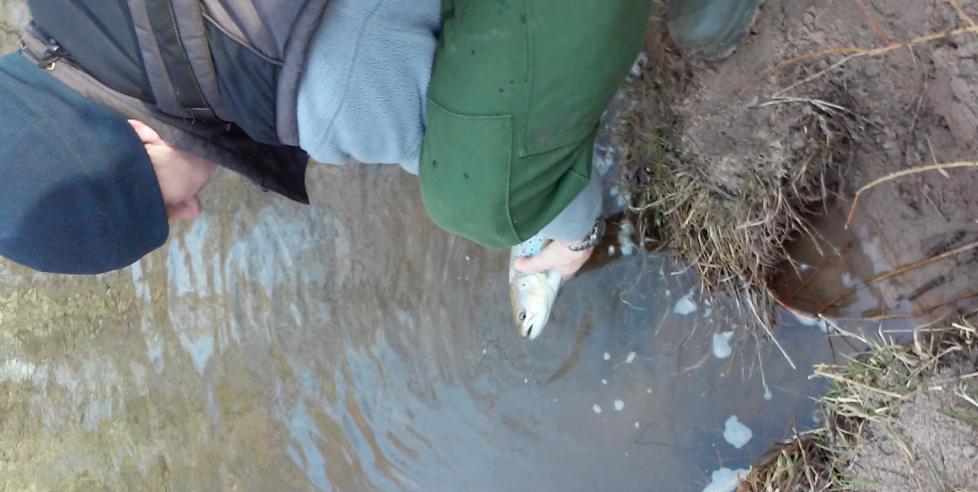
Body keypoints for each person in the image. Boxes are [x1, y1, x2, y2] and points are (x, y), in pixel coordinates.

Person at [0, 1, 755, 278]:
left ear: (142, 138)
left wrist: (570, 233)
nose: (191, 213)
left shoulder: (318, 97)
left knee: (483, 195)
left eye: (165, 208)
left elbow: (467, 146)